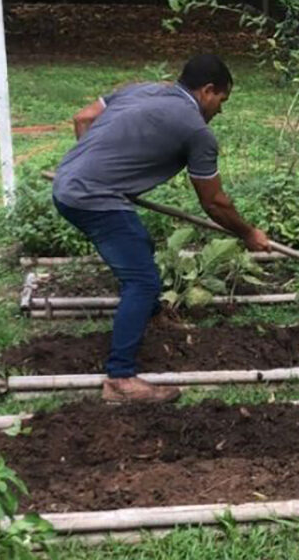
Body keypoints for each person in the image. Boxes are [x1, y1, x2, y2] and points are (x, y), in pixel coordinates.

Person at [52, 54, 271, 403]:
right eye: (221, 101)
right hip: (93, 197)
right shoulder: (197, 132)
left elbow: (84, 117)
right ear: (207, 90)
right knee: (141, 281)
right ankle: (120, 379)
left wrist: (101, 167)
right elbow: (214, 202)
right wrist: (248, 233)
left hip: (67, 184)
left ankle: (150, 316)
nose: (220, 110)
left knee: (138, 245)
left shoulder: (143, 90)